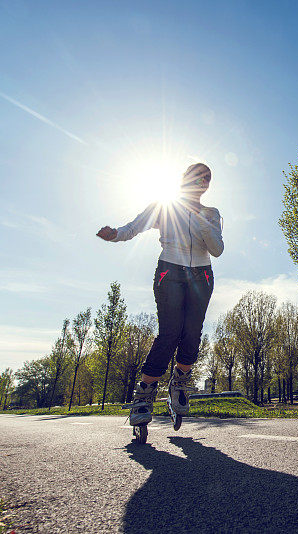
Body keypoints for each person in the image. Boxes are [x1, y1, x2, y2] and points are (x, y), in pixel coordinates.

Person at [97, 163, 223, 425]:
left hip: (202, 275)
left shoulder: (211, 213)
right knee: (169, 333)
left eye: (206, 178)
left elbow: (217, 248)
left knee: (191, 333)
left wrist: (198, 216)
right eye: (196, 176)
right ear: (184, 179)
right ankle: (143, 396)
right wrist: (114, 235)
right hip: (170, 271)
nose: (202, 181)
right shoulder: (164, 206)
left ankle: (179, 382)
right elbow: (133, 227)